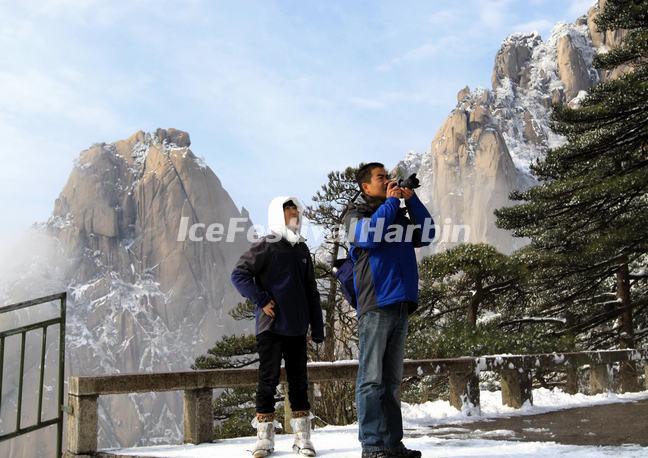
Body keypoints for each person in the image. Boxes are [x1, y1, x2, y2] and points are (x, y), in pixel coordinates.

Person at [344, 163, 434, 458]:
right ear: (365, 187)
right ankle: (371, 445)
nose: (387, 181)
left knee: (392, 381)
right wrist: (393, 202)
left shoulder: (397, 213)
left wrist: (411, 199)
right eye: (380, 178)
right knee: (371, 379)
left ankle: (393, 444)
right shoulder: (355, 216)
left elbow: (428, 233)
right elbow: (370, 236)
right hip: (376, 305)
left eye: (388, 177)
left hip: (400, 304)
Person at [231, 196, 325, 458]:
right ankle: (264, 439)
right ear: (276, 214)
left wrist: (317, 326)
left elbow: (311, 291)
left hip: (297, 327)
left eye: (296, 208)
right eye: (288, 209)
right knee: (268, 380)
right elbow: (238, 274)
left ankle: (303, 439)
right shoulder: (266, 245)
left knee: (299, 382)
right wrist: (262, 300)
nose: (294, 212)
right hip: (270, 327)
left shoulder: (302, 249)